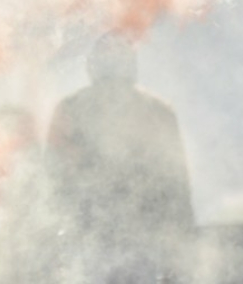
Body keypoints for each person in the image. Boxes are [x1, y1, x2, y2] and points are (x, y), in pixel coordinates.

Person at [46, 33, 195, 283]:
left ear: (92, 66)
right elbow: (178, 189)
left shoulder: (70, 109)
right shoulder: (157, 111)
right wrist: (180, 250)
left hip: (92, 239)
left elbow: (52, 180)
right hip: (139, 240)